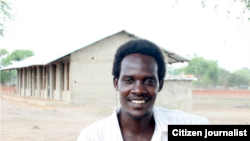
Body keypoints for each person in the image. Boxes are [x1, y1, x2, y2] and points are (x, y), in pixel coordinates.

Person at [77, 39, 209, 141]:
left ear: (160, 85)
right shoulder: (94, 137)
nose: (139, 90)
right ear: (116, 83)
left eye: (149, 81)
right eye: (129, 80)